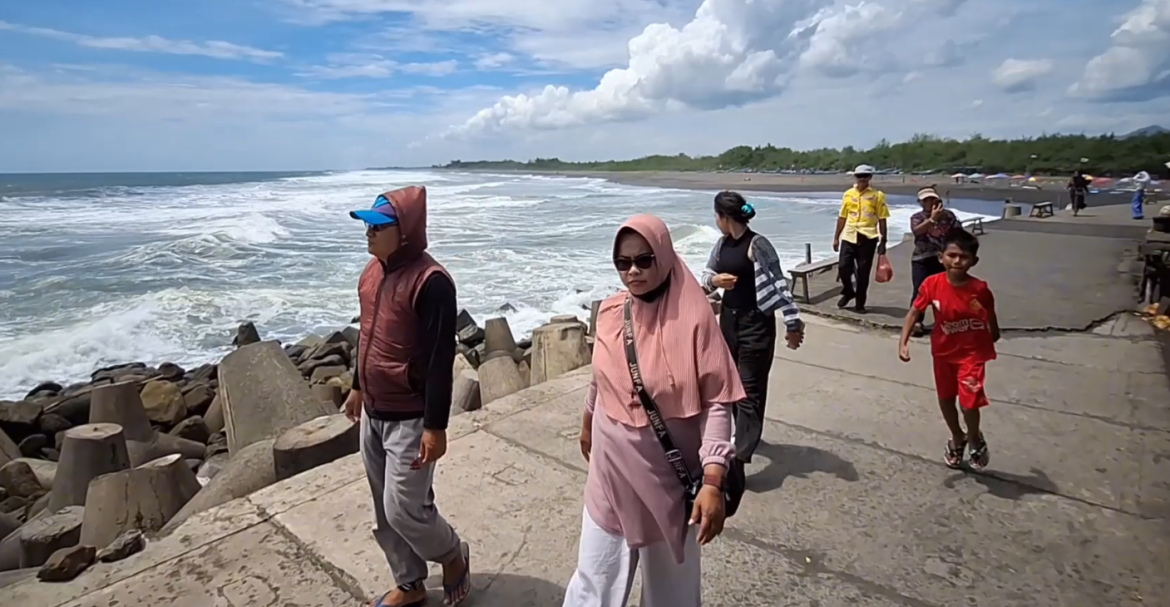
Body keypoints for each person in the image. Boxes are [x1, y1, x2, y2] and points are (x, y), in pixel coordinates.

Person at [567, 214, 745, 607]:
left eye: (644, 260)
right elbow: (601, 378)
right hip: (609, 473)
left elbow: (717, 402)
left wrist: (713, 480)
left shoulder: (696, 321)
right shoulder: (612, 313)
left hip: (666, 482)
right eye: (622, 262)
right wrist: (587, 423)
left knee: (671, 593)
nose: (633, 271)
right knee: (594, 578)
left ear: (663, 256)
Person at [343, 186, 472, 607]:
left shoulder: (432, 283)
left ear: (406, 231)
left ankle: (452, 553)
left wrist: (436, 427)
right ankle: (410, 583)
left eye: (379, 226)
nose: (369, 232)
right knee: (384, 511)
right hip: (374, 412)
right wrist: (358, 386)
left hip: (411, 416)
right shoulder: (371, 273)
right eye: (367, 224)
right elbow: (367, 336)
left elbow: (440, 358)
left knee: (403, 508)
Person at [701, 191, 804, 477]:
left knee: (749, 391)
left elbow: (780, 285)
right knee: (731, 387)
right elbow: (706, 274)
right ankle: (744, 437)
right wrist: (715, 280)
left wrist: (793, 323)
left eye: (716, 216)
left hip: (756, 325)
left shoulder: (758, 245)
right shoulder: (722, 245)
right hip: (729, 323)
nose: (716, 221)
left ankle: (738, 461)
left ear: (725, 216)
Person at [897, 228, 999, 471]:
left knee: (969, 402)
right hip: (942, 352)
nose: (957, 261)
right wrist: (903, 341)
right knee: (945, 399)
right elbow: (914, 312)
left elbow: (990, 313)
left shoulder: (979, 289)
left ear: (974, 261)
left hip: (972, 353)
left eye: (963, 257)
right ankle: (957, 436)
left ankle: (974, 437)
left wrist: (994, 332)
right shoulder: (931, 284)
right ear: (941, 257)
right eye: (952, 255)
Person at [833, 164, 890, 313]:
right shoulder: (848, 194)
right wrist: (836, 238)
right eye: (859, 176)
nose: (862, 179)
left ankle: (860, 303)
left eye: (865, 176)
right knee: (843, 267)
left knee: (863, 273)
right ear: (855, 177)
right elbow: (842, 217)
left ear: (870, 177)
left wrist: (883, 240)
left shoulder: (877, 196)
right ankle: (848, 291)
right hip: (849, 235)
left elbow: (882, 218)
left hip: (868, 237)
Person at [907, 186, 959, 335]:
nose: (929, 202)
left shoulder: (949, 216)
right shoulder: (917, 217)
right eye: (925, 200)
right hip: (922, 258)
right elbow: (917, 231)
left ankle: (945, 320)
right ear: (920, 202)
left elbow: (957, 233)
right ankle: (916, 321)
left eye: (932, 199)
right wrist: (933, 219)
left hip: (943, 259)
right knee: (920, 291)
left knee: (944, 291)